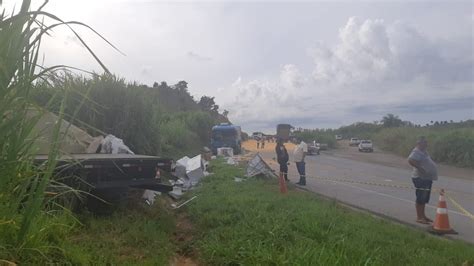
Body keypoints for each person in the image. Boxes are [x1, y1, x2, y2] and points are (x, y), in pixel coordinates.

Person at [408, 136, 438, 224]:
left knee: (424, 198)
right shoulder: (416, 151)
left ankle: (423, 216)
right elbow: (410, 160)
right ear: (419, 143)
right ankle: (419, 217)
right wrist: (421, 168)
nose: (426, 144)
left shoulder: (423, 151)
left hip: (426, 178)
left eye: (426, 142)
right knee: (421, 197)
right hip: (420, 178)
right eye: (425, 143)